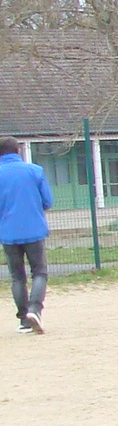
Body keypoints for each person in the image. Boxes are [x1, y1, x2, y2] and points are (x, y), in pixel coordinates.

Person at [0, 136, 52, 334]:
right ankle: (35, 309)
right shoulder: (34, 171)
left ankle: (23, 319)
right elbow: (47, 201)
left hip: (8, 232)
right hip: (34, 229)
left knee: (17, 276)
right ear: (18, 151)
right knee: (39, 272)